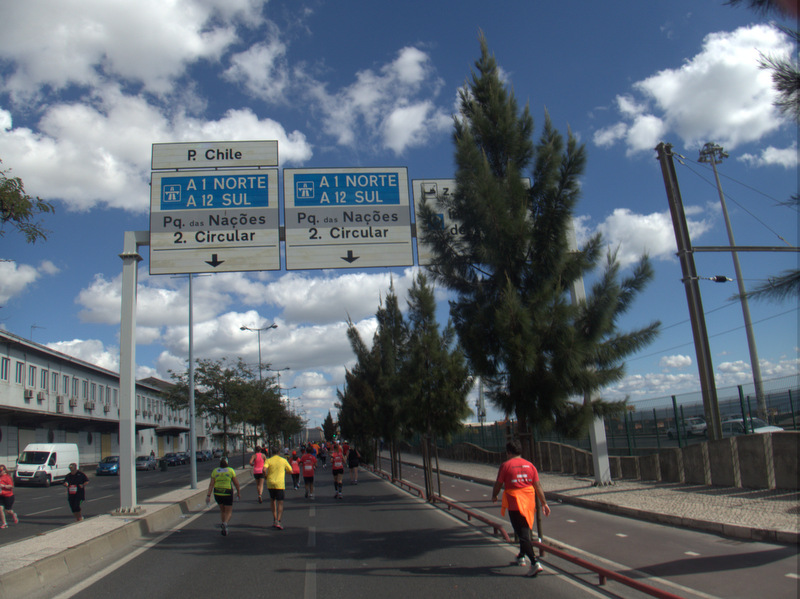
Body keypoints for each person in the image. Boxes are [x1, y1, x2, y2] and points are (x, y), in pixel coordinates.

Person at [491, 441, 550, 577]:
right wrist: (544, 503)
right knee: (525, 529)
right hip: (529, 503)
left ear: (508, 452)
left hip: (515, 504)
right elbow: (538, 486)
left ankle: (535, 563)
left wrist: (494, 495)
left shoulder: (505, 466)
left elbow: (498, 483)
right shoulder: (530, 466)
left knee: (522, 534)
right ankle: (521, 556)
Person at [207, 457, 241, 536]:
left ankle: (223, 524)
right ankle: (225, 524)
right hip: (227, 492)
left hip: (217, 492)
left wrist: (208, 495)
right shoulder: (230, 470)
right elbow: (236, 483)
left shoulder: (215, 471)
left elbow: (211, 484)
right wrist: (238, 492)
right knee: (228, 512)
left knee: (222, 510)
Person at [264, 446, 293, 529]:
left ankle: (274, 518)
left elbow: (264, 469)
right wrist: (284, 472)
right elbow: (291, 471)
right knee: (280, 502)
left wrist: (266, 476)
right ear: (279, 453)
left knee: (272, 500)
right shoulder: (283, 460)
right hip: (280, 484)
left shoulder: (268, 460)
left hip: (270, 483)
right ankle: (279, 520)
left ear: (271, 453)